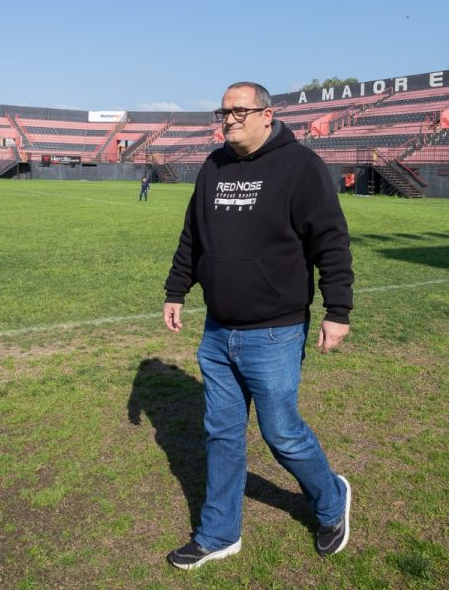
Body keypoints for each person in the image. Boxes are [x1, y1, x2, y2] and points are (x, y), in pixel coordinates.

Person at [162, 81, 354, 570]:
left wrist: (338, 311)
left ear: (268, 115)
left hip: (275, 331)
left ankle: (332, 501)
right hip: (217, 331)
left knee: (282, 433)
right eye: (223, 112)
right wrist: (176, 290)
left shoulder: (301, 166)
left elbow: (330, 241)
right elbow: (193, 236)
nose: (229, 119)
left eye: (240, 111)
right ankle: (219, 533)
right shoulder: (213, 166)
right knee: (222, 435)